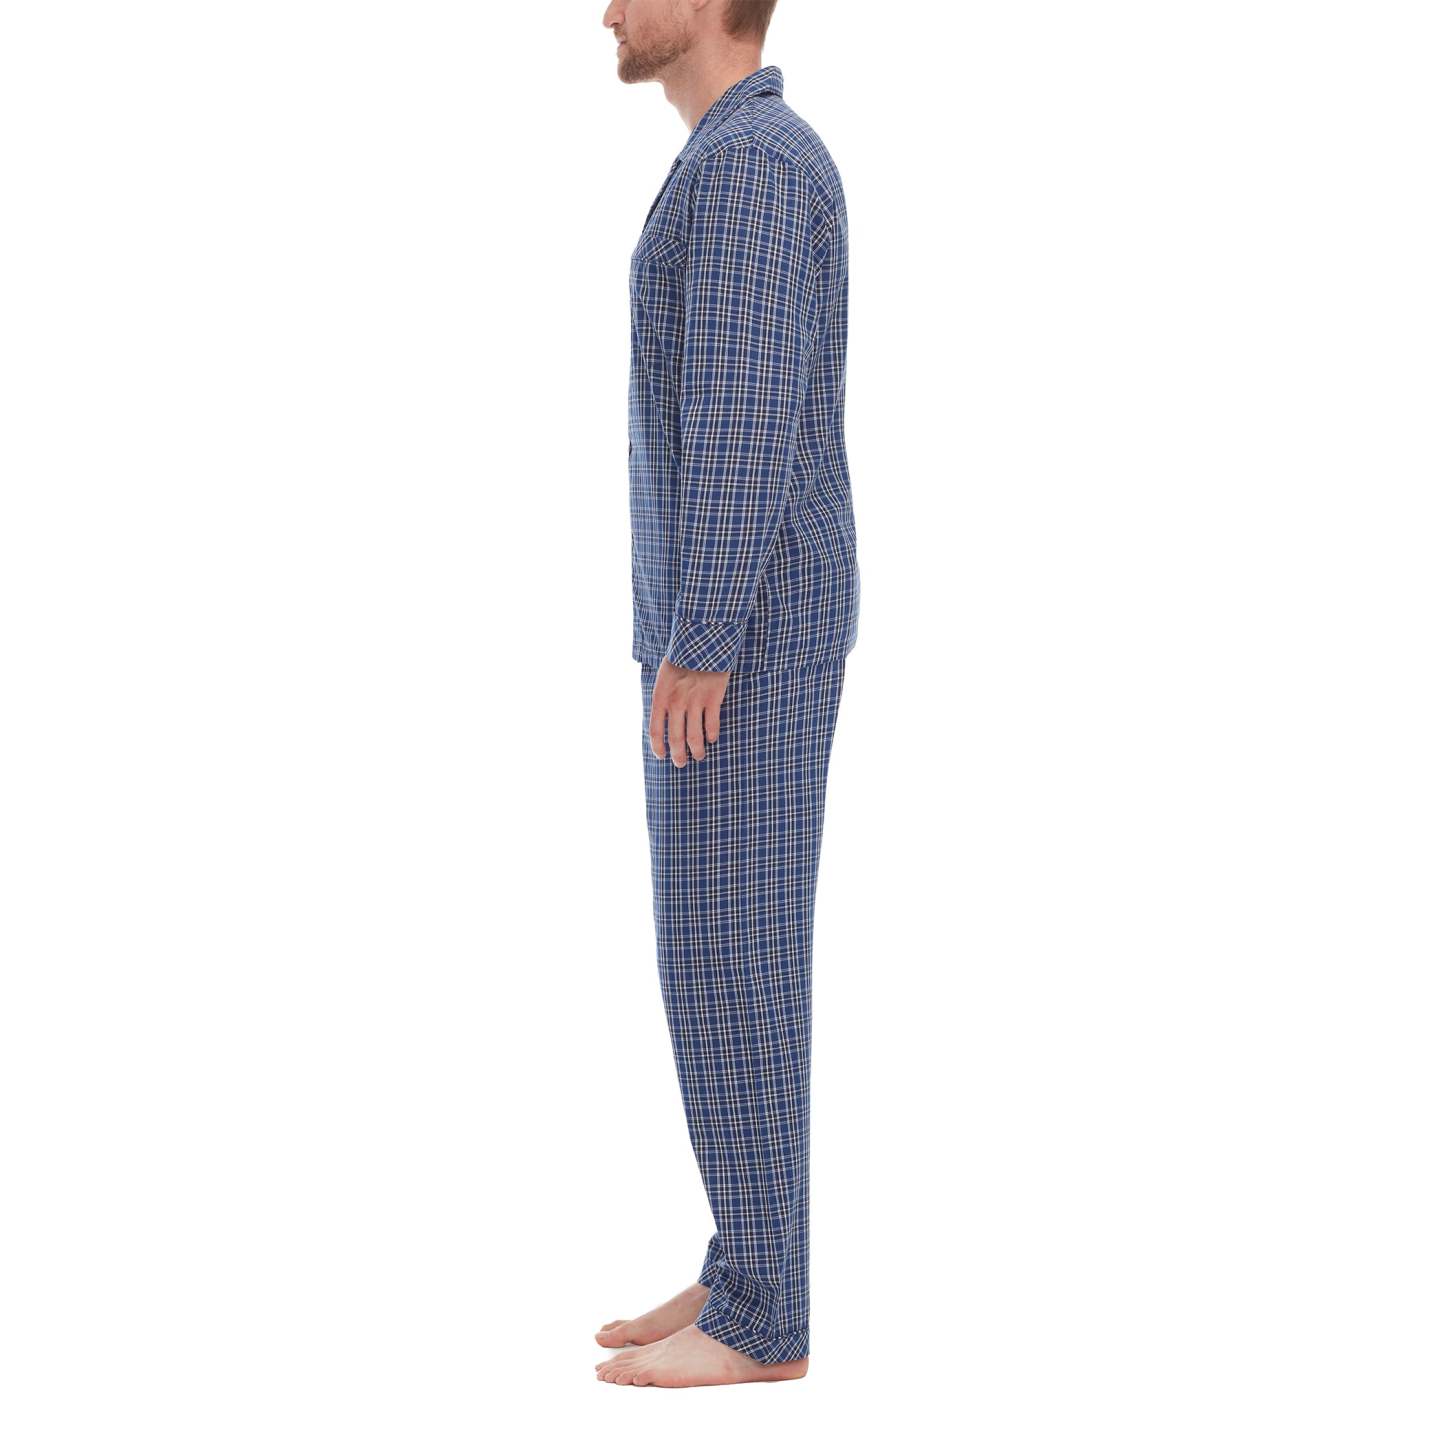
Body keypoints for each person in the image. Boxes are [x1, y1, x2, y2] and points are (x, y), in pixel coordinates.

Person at [596, 0, 861, 1389]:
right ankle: (751, 1257)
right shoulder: (740, 157)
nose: (606, 10)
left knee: (730, 962)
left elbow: (747, 414)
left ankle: (762, 1313)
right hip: (735, 631)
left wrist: (700, 638)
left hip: (738, 644)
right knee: (729, 955)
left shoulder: (751, 167)